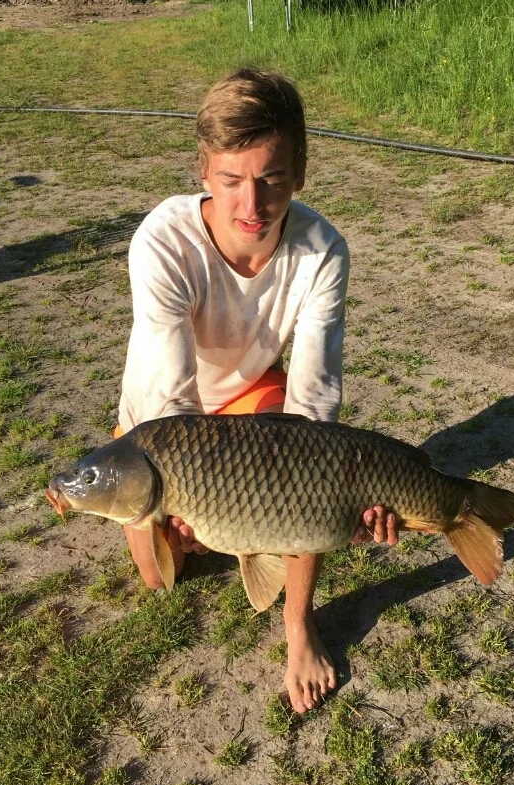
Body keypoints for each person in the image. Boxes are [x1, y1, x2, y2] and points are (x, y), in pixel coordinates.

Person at [116, 68, 397, 713]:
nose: (252, 205)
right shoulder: (163, 241)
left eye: (271, 179)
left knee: (308, 474)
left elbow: (314, 403)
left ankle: (299, 623)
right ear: (202, 173)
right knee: (163, 575)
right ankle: (161, 511)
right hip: (163, 420)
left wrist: (339, 501)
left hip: (252, 398)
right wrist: (184, 498)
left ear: (300, 172)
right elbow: (171, 404)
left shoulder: (322, 250)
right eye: (231, 181)